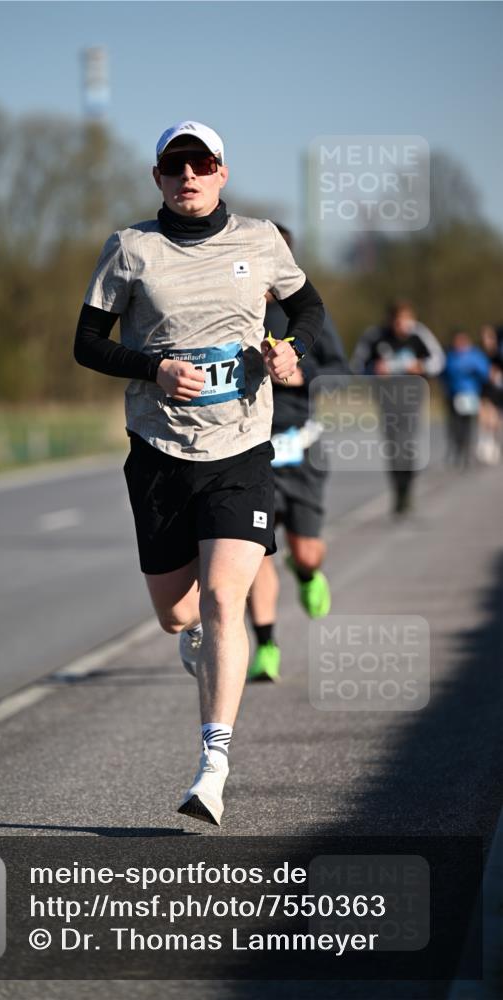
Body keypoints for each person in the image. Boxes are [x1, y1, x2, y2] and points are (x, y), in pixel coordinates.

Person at [74, 121, 324, 825]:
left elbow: (305, 305)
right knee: (177, 613)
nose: (188, 175)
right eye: (174, 165)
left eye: (201, 163)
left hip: (241, 449)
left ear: (221, 172)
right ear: (157, 177)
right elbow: (87, 343)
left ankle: (212, 762)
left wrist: (288, 348)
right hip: (158, 452)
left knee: (223, 600)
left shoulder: (260, 239)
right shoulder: (130, 250)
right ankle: (196, 641)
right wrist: (152, 366)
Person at [247, 224, 349, 682]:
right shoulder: (237, 311)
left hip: (301, 450)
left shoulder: (307, 314)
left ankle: (307, 574)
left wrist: (301, 375)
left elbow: (342, 373)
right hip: (251, 452)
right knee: (254, 557)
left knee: (306, 552)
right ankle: (266, 647)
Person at [350, 301, 445, 516]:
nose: (404, 325)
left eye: (407, 320)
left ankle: (407, 489)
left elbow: (439, 360)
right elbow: (356, 365)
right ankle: (398, 492)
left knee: (408, 443)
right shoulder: (375, 336)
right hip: (387, 398)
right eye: (399, 321)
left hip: (413, 396)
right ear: (391, 320)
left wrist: (421, 366)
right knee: (393, 446)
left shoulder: (419, 334)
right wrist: (374, 369)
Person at [442, 329, 491, 468]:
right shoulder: (449, 356)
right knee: (455, 425)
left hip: (470, 394)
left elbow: (485, 372)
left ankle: (467, 451)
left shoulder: (475, 355)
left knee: (468, 424)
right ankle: (458, 448)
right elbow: (443, 373)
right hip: (453, 395)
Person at [476, 324, 503, 464]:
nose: (487, 341)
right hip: (483, 390)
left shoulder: (499, 354)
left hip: (498, 391)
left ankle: (493, 443)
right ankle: (484, 442)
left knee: (495, 421)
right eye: (485, 337)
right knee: (484, 417)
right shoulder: (479, 354)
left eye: (490, 337)